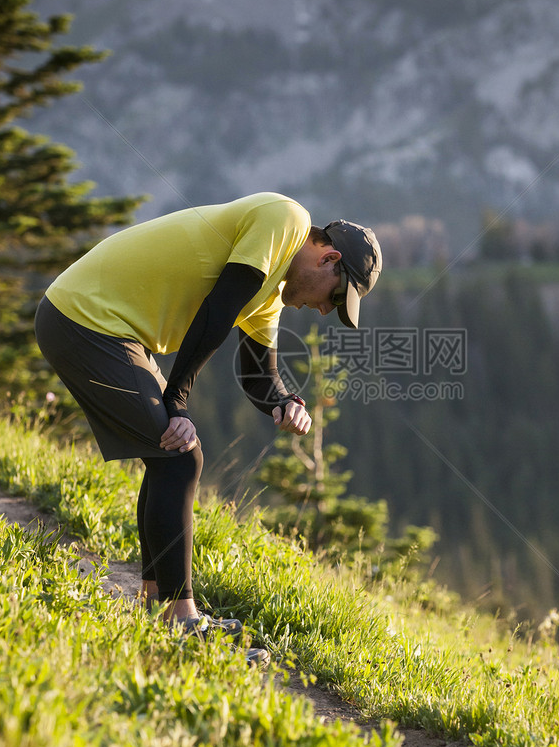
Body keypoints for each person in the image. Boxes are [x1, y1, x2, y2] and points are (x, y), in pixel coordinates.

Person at [35, 191, 382, 664]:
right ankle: (180, 620)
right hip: (84, 320)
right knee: (179, 456)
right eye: (336, 297)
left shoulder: (271, 288)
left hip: (107, 328)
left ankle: (155, 604)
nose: (325, 311)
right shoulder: (284, 218)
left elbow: (259, 372)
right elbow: (218, 310)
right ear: (329, 257)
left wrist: (283, 402)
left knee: (170, 458)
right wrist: (176, 400)